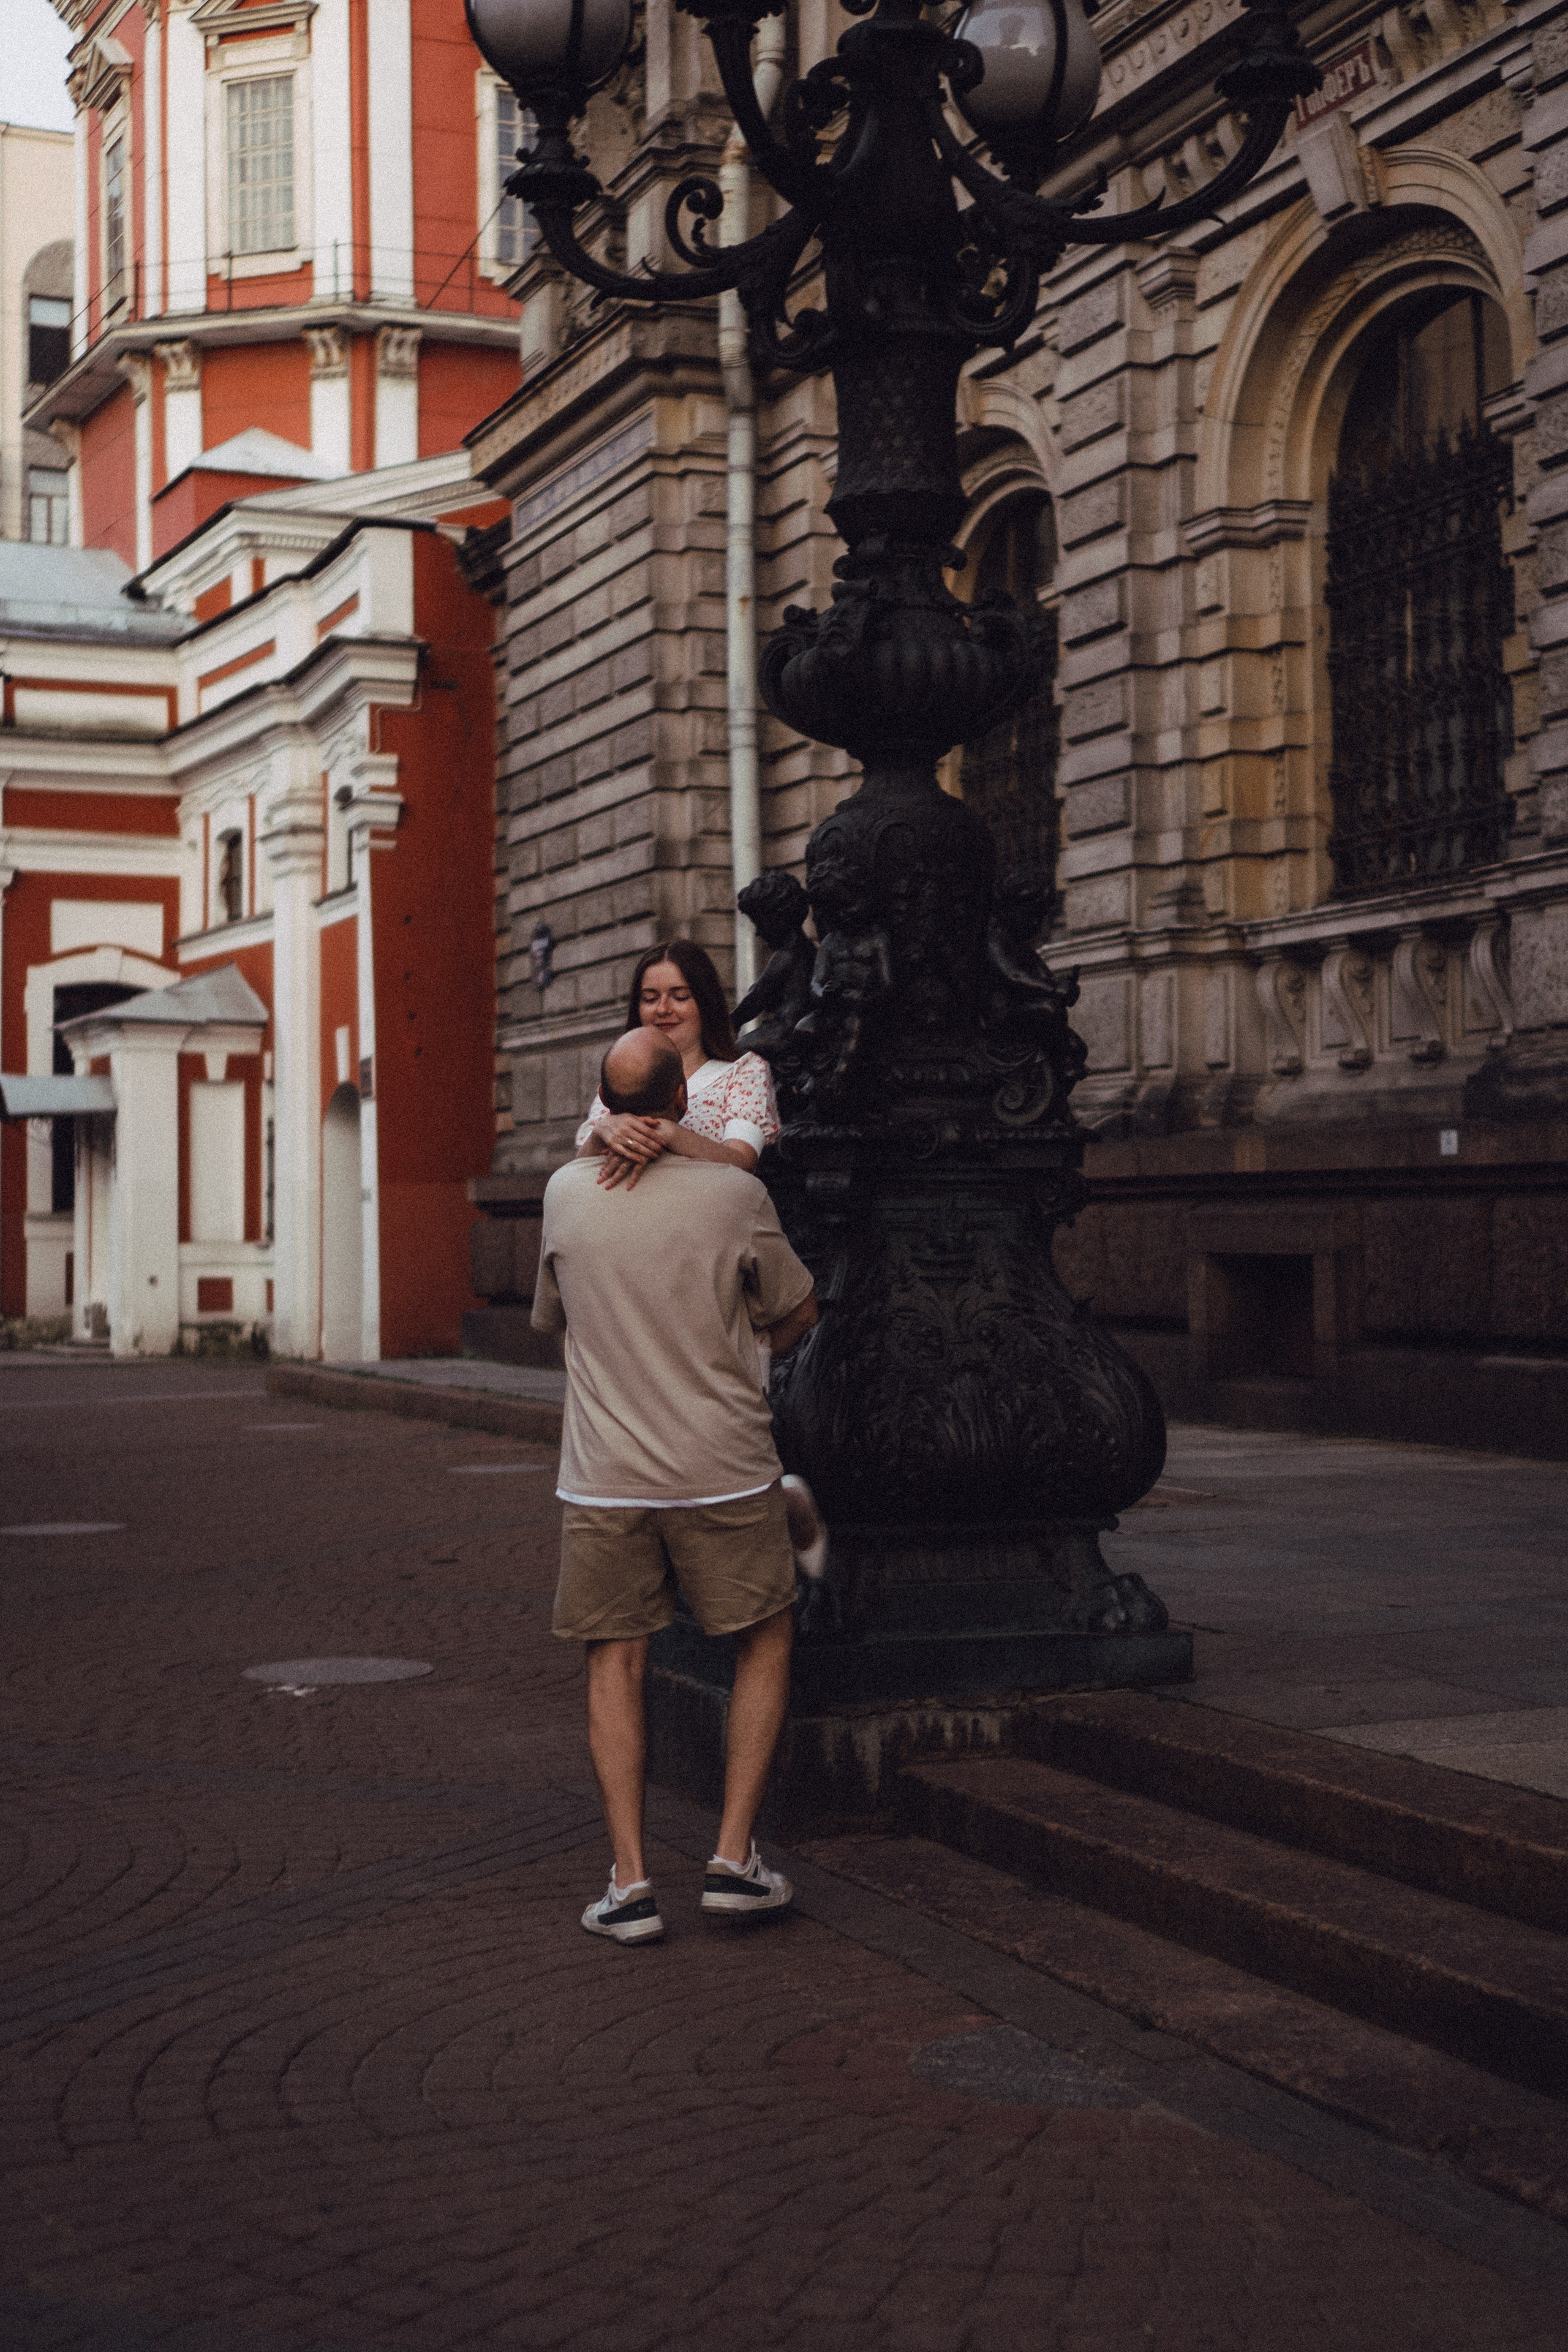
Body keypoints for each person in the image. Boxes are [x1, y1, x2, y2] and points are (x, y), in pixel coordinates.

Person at [533, 1024, 819, 1947]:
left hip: (607, 1478)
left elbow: (552, 1317)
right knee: (764, 1640)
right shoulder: (738, 1196)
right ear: (680, 1104)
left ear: (604, 1107)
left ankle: (630, 1882)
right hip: (723, 1468)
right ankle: (734, 1862)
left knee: (615, 1662)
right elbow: (798, 1313)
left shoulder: (564, 1194)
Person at [576, 940, 778, 1189]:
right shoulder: (622, 1072)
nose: (663, 1009)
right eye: (650, 999)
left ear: (705, 1002)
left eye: (680, 997)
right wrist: (600, 1133)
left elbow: (741, 1162)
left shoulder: (743, 1072)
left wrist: (669, 1133)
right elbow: (580, 1179)